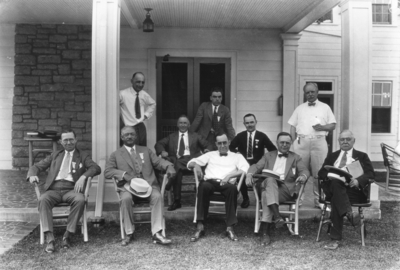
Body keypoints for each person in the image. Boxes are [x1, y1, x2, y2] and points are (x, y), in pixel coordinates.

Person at [27, 129, 101, 253]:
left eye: (71, 139)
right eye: (65, 140)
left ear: (75, 140)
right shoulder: (55, 155)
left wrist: (83, 177)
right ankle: (50, 239)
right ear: (61, 142)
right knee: (43, 200)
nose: (68, 142)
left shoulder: (82, 155)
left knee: (80, 199)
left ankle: (67, 235)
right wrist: (32, 174)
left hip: (72, 189)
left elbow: (96, 168)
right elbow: (36, 166)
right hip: (53, 189)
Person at [104, 126, 176, 246]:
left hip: (148, 186)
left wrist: (169, 166)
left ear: (136, 136)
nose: (129, 136)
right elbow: (108, 171)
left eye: (132, 134)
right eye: (126, 135)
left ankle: (157, 232)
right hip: (128, 187)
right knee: (125, 199)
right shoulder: (116, 154)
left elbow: (158, 162)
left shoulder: (145, 150)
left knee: (157, 196)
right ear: (122, 137)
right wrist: (123, 174)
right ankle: (129, 232)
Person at [246, 132, 309, 246]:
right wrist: (250, 174)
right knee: (270, 181)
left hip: (286, 190)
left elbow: (305, 170)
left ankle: (266, 232)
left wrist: (303, 176)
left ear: (290, 144)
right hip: (270, 185)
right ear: (277, 143)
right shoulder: (268, 156)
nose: (284, 145)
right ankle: (277, 216)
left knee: (266, 195)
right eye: (282, 142)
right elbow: (256, 166)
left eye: (287, 143)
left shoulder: (296, 157)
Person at [318, 130, 375, 250]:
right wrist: (329, 175)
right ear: (338, 141)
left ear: (354, 141)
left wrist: (358, 181)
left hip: (353, 191)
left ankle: (335, 239)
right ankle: (351, 215)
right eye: (342, 139)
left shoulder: (362, 156)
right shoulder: (332, 156)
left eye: (348, 139)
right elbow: (321, 172)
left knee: (336, 199)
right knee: (335, 183)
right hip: (333, 188)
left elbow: (370, 174)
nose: (345, 142)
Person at [187, 133, 249, 242]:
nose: (222, 145)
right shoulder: (210, 155)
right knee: (202, 186)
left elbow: (245, 169)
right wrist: (196, 165)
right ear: (216, 144)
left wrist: (229, 176)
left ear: (229, 142)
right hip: (210, 182)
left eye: (224, 142)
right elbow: (190, 163)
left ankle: (230, 227)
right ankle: (200, 226)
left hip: (227, 184)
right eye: (219, 143)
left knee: (233, 189)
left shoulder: (237, 156)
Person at [288, 82, 336, 209]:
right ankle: (298, 200)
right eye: (307, 92)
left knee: (319, 172)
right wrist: (293, 143)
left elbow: (333, 125)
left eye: (312, 92)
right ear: (305, 94)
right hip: (301, 142)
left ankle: (319, 200)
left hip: (319, 141)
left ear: (317, 92)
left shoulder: (325, 107)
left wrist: (322, 127)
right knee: (299, 171)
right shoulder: (300, 108)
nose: (310, 94)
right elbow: (292, 126)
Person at [154, 115, 212, 211]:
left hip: (191, 161)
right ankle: (177, 201)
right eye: (181, 122)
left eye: (185, 123)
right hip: (179, 165)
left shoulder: (195, 136)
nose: (183, 125)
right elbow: (159, 144)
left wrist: (207, 150)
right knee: (178, 170)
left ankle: (169, 183)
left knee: (177, 165)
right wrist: (162, 151)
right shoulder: (171, 136)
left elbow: (208, 144)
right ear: (177, 124)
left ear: (188, 125)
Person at [230, 113, 277, 208]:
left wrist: (266, 158)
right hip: (244, 163)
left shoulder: (262, 136)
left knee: (262, 179)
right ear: (244, 124)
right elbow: (231, 147)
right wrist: (237, 153)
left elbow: (273, 149)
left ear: (256, 122)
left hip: (257, 163)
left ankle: (260, 199)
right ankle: (245, 198)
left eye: (252, 122)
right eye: (247, 123)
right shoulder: (240, 136)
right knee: (242, 175)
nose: (250, 125)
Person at [120, 72, 156, 146]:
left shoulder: (143, 94)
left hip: (140, 127)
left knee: (142, 150)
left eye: (143, 82)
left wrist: (146, 115)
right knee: (130, 151)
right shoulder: (122, 94)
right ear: (132, 81)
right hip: (128, 128)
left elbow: (153, 103)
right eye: (138, 82)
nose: (140, 85)